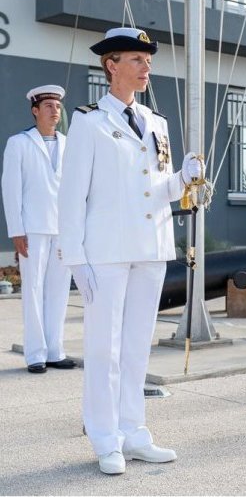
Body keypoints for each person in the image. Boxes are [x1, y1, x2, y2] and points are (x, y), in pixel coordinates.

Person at [57, 27, 203, 475]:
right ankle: (105, 438)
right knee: (105, 348)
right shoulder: (88, 120)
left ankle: (134, 432)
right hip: (105, 251)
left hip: (151, 246)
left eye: (148, 60)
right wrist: (75, 259)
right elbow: (72, 195)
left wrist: (184, 178)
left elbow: (158, 190)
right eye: (136, 60)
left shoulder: (156, 122)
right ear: (111, 65)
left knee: (138, 346)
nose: (146, 67)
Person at [1, 85, 75, 374]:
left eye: (58, 105)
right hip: (32, 228)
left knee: (59, 290)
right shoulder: (18, 143)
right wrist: (16, 230)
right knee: (33, 290)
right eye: (49, 106)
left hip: (63, 228)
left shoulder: (70, 144)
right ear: (35, 110)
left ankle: (55, 350)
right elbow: (11, 190)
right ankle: (35, 354)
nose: (55, 110)